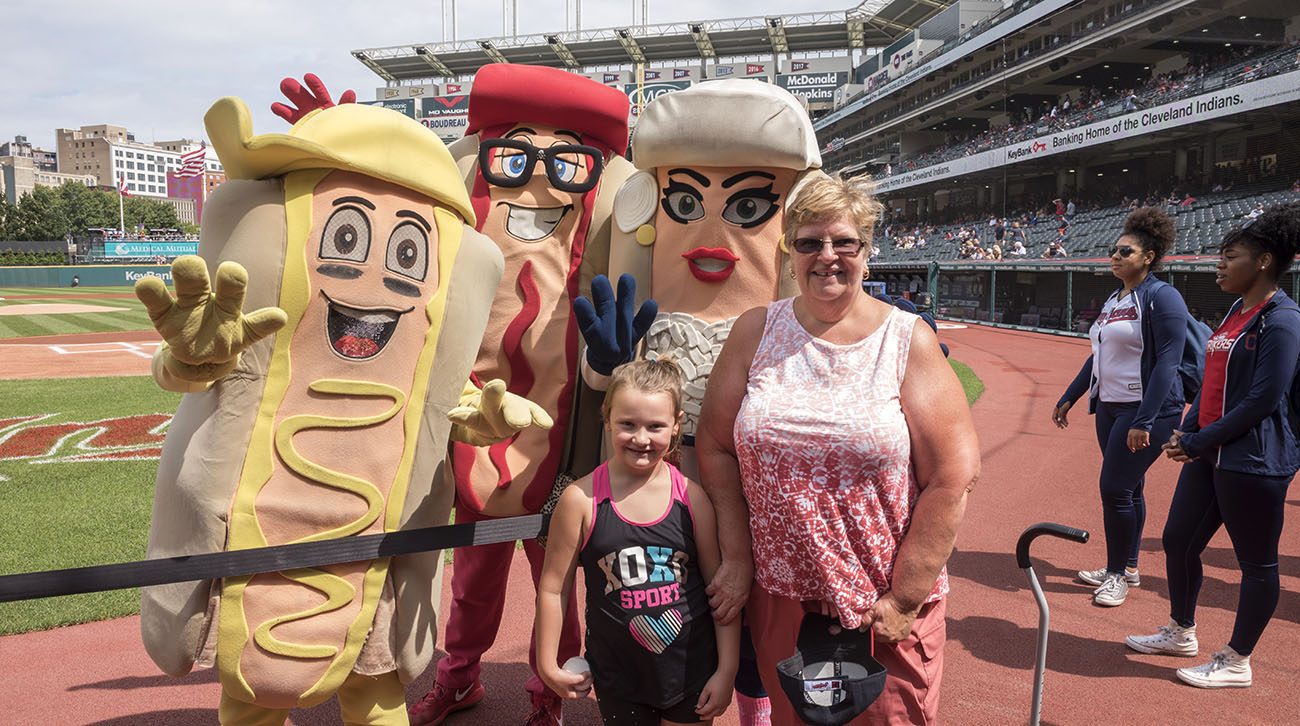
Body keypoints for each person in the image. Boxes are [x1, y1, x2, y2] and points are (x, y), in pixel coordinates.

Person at [695, 174, 980, 725]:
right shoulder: (756, 331)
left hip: (881, 606)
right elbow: (715, 446)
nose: (827, 255)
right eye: (809, 242)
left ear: (867, 252)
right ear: (791, 254)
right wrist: (737, 557)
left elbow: (954, 475)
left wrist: (906, 596)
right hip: (781, 597)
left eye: (843, 242)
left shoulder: (906, 339)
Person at [1127, 203, 1300, 688]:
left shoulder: (1282, 320)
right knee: (1179, 539)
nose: (1219, 264)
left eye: (1230, 256)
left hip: (1254, 459)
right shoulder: (1234, 309)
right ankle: (1181, 630)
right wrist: (1190, 424)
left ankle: (1237, 659)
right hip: (1211, 449)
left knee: (1257, 563)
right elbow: (1214, 381)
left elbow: (1264, 398)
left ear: (1264, 261)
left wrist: (1201, 438)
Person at [536, 359, 739, 723]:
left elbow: (718, 592)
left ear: (676, 424)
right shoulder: (580, 501)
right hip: (618, 676)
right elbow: (553, 588)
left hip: (691, 669)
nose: (641, 439)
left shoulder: (693, 499)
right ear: (607, 417)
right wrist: (546, 663)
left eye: (656, 426)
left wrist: (726, 671)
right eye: (627, 424)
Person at [1052, 207, 1188, 607]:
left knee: (1114, 488)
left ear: (1148, 256)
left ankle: (1116, 576)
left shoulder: (1162, 297)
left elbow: (1168, 362)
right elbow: (1097, 355)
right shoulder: (1116, 298)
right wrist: (1071, 395)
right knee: (1130, 488)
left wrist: (1145, 418)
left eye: (1124, 251)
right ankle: (1127, 567)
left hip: (1146, 410)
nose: (1114, 256)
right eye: (1113, 250)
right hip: (1110, 407)